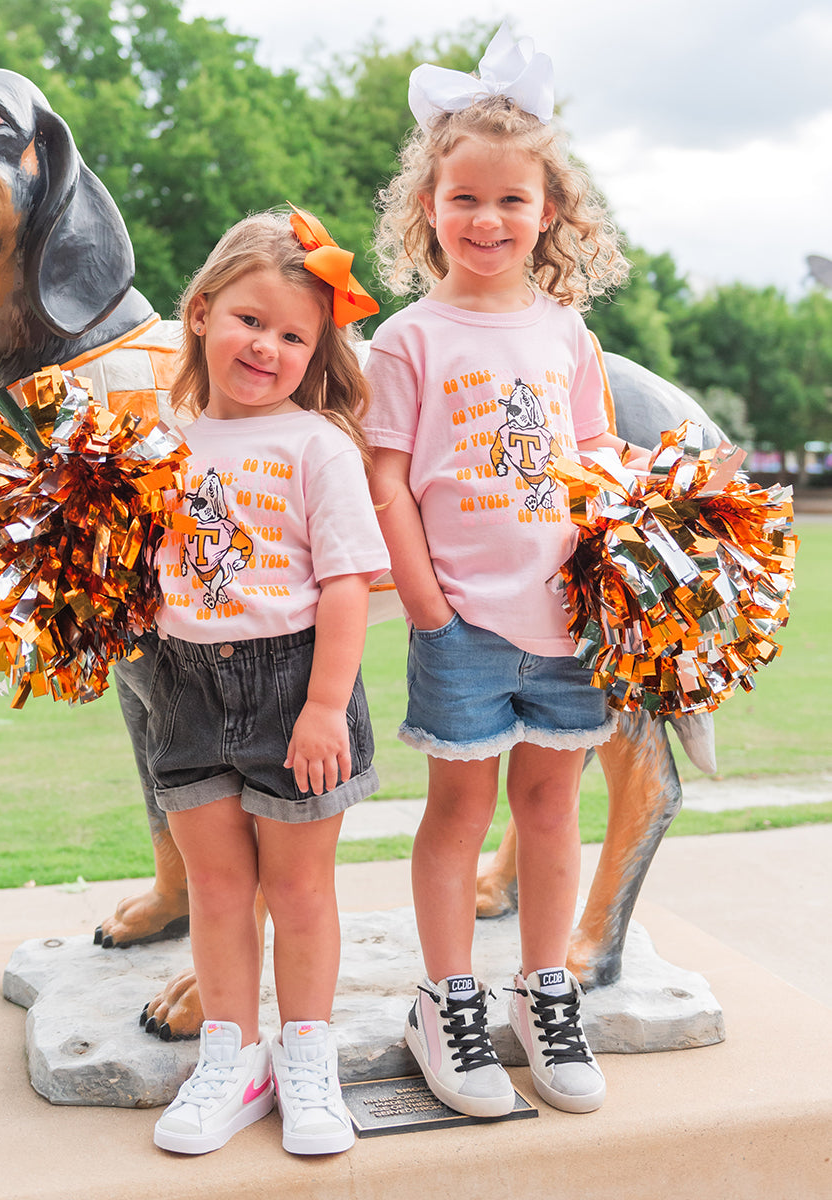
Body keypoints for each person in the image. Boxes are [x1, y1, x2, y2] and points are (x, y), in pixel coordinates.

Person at [365, 25, 649, 1118]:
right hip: (463, 626)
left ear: (552, 213)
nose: (488, 221)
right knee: (458, 812)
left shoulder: (567, 331)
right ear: (427, 209)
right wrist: (432, 606)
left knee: (549, 809)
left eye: (512, 202)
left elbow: (595, 465)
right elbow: (387, 481)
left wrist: (615, 580)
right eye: (464, 199)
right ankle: (449, 1005)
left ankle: (544, 996)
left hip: (566, 620)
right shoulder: (410, 340)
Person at [149, 207, 389, 1157]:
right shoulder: (162, 444)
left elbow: (345, 588)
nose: (270, 346)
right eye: (252, 320)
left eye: (296, 336)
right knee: (214, 888)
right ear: (202, 312)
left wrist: (326, 705)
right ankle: (231, 1054)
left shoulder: (317, 445)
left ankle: (307, 1055)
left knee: (299, 893)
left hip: (295, 686)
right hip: (185, 688)